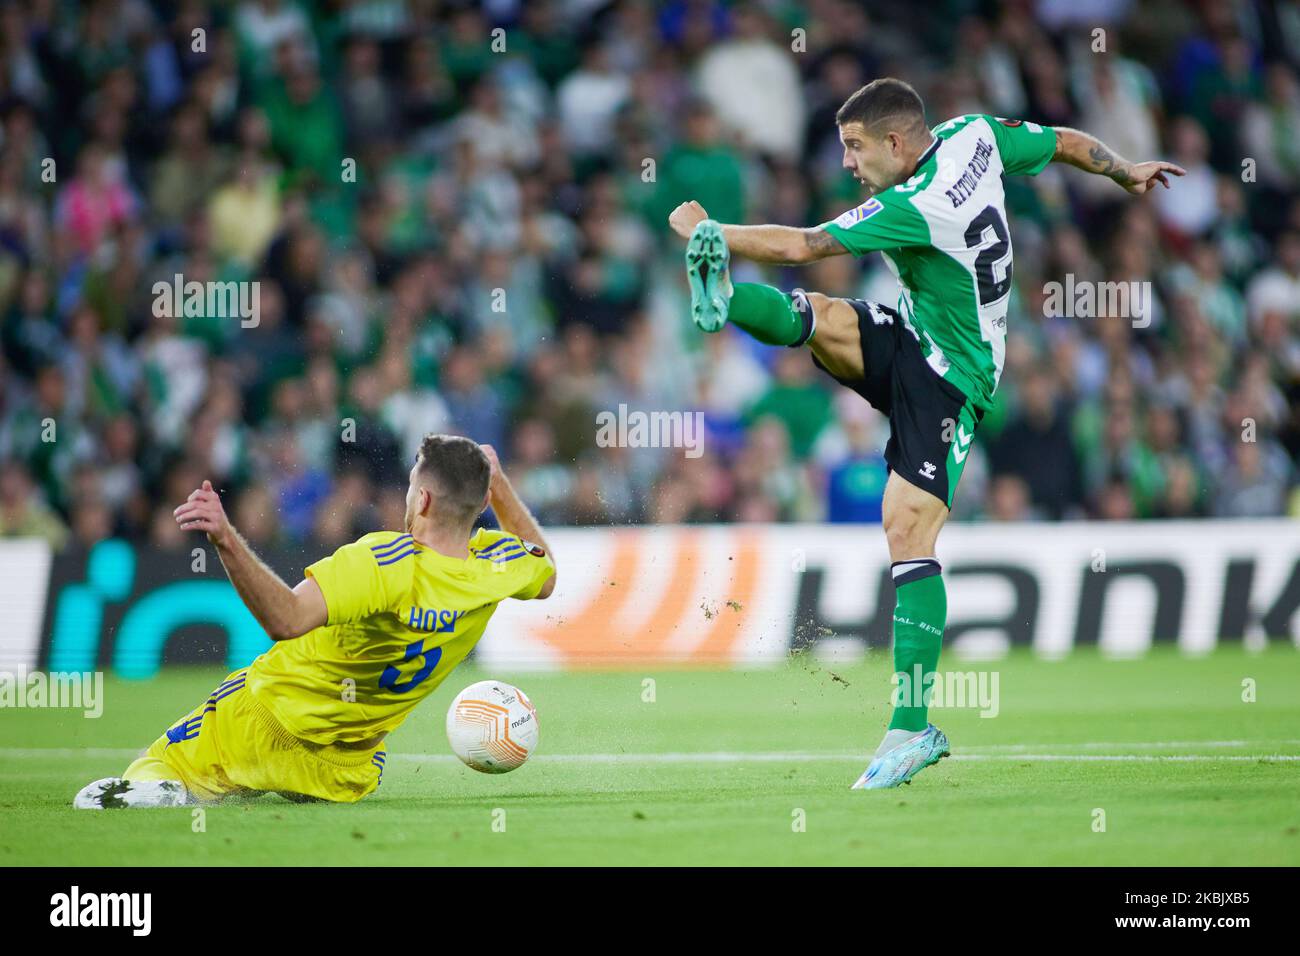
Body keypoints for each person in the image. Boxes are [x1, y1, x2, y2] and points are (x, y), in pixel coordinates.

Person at [668, 77, 1183, 789]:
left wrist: (712, 231)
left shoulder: (916, 205)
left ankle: (913, 727)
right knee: (820, 317)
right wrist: (1125, 168)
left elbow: (805, 242)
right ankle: (724, 298)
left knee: (905, 525)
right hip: (916, 333)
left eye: (855, 148)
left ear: (895, 142)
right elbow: (1062, 142)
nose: (847, 163)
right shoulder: (974, 135)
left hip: (955, 379)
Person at [74, 434, 556, 808]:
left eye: (411, 487)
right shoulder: (498, 566)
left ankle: (159, 791)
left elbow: (287, 620)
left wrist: (226, 538)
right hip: (347, 769)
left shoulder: (383, 561)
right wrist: (499, 486)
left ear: (424, 501)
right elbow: (547, 573)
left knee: (152, 768)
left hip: (265, 724)